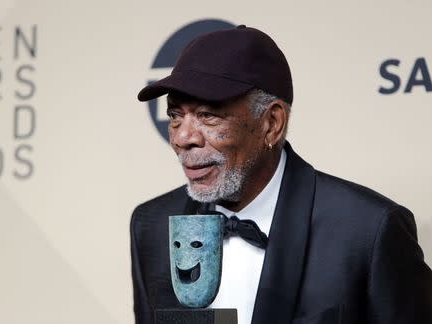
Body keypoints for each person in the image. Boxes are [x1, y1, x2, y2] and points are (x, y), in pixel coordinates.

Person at [130, 25, 432, 324]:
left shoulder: (369, 230)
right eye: (175, 116)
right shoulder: (152, 225)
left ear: (271, 123)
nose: (183, 138)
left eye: (208, 115)